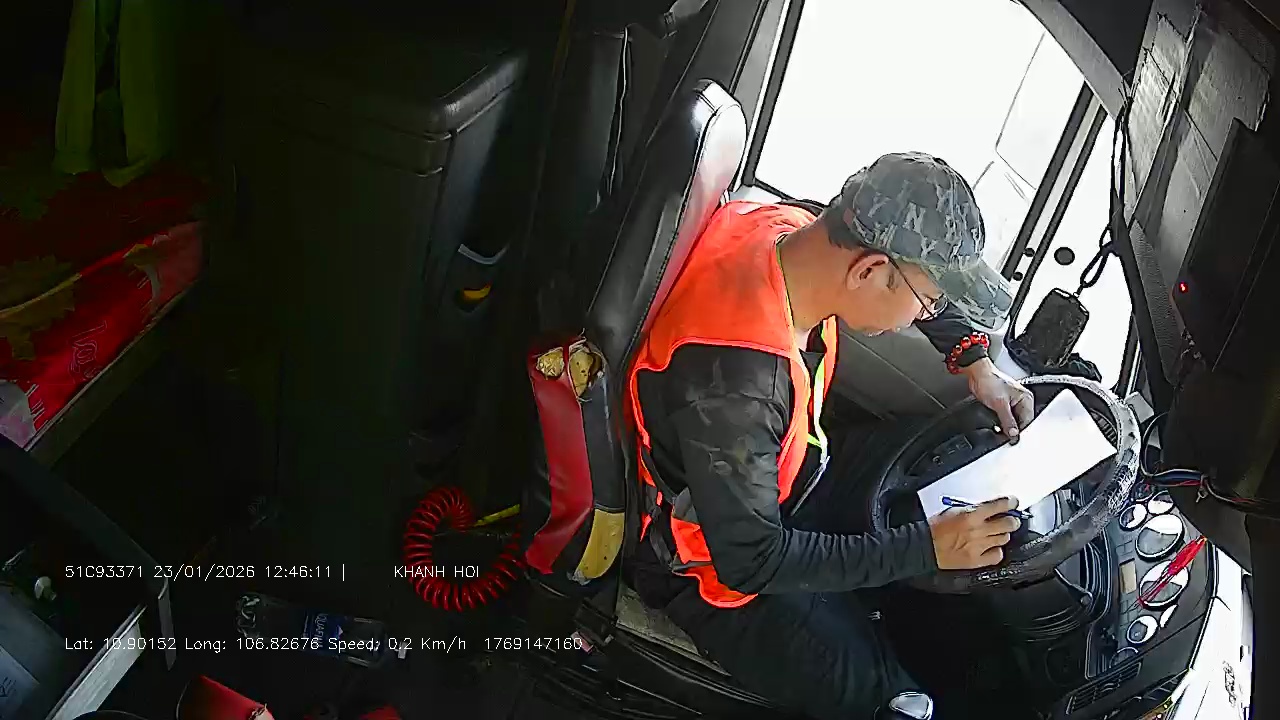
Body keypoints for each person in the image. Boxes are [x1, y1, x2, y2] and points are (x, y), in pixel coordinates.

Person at [624, 152, 1036, 719]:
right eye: (927, 301)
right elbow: (752, 562)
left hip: (785, 476)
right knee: (898, 704)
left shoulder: (791, 231)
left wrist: (975, 362)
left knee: (937, 453)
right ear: (868, 272)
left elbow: (908, 271)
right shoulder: (737, 386)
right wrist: (925, 549)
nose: (924, 315)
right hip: (718, 572)